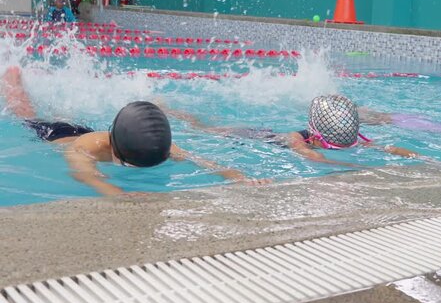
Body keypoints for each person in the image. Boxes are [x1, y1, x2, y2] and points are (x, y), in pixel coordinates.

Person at [1, 66, 268, 196]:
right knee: (26, 114)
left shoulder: (156, 145)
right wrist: (120, 195)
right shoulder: (85, 149)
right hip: (55, 135)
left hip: (90, 129)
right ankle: (12, 78)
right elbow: (86, 176)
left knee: (64, 114)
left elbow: (201, 161)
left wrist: (235, 176)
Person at [162, 95, 421, 167]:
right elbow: (314, 158)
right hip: (254, 135)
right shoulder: (297, 139)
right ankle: (172, 111)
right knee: (204, 128)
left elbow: (387, 149)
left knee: (208, 124)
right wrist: (363, 169)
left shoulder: (352, 141)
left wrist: (418, 158)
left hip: (267, 132)